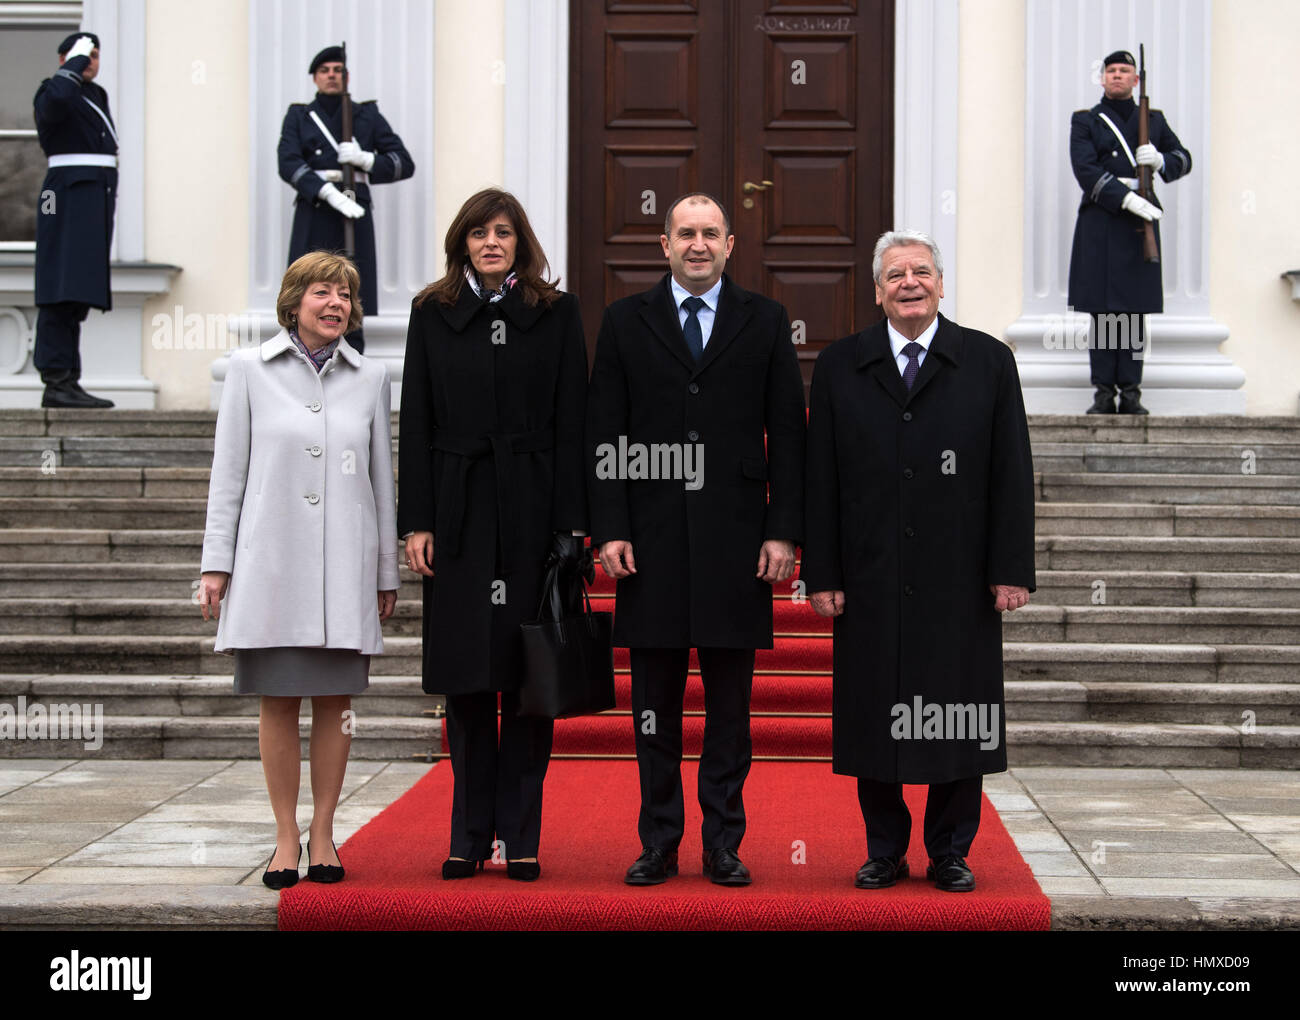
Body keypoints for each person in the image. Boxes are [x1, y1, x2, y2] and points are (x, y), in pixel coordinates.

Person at [801, 230, 1035, 893]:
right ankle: (884, 849)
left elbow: (1011, 472)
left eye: (922, 272)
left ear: (940, 284)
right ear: (877, 291)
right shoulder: (843, 364)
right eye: (896, 273)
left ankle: (950, 851)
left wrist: (1011, 565)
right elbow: (822, 478)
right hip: (871, 573)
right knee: (875, 712)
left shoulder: (988, 362)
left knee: (959, 710)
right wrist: (824, 573)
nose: (910, 282)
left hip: (959, 576)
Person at [586, 193, 806, 886]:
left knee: (729, 712)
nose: (699, 244)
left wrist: (783, 532)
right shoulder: (625, 322)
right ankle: (659, 841)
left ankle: (723, 844)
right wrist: (610, 529)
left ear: (731, 245)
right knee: (653, 709)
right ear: (665, 244)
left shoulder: (766, 321)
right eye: (686, 233)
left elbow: (790, 440)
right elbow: (604, 435)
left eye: (711, 233)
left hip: (736, 543)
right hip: (648, 544)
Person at [398, 188, 588, 883]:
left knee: (528, 679)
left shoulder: (554, 312)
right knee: (468, 679)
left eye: (503, 232)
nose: (491, 243)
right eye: (479, 233)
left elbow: (575, 420)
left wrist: (575, 522)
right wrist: (415, 520)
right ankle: (468, 834)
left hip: (535, 511)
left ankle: (521, 834)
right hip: (459, 512)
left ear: (521, 242)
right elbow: (415, 419)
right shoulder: (433, 312)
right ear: (462, 243)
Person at [198, 251, 399, 889]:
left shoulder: (370, 378)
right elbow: (228, 473)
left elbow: (381, 482)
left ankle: (323, 833)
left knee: (335, 703)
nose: (336, 303)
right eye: (323, 292)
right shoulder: (249, 373)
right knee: (278, 701)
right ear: (293, 302)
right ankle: (285, 836)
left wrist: (385, 570)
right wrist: (216, 564)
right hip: (270, 568)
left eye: (345, 294)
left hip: (344, 570)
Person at [1068, 48, 1192, 415]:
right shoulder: (1086, 121)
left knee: (1133, 312)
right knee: (1104, 312)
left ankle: (1132, 391)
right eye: (1111, 71)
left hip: (1140, 223)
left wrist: (1162, 159)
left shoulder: (1152, 120)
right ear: (1103, 78)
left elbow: (1183, 158)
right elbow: (1084, 169)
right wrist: (1125, 199)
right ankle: (1104, 391)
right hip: (1103, 219)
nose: (1117, 76)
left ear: (1136, 80)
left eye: (1124, 71)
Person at [277, 45, 415, 354]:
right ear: (315, 77)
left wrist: (365, 159)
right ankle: (304, 351)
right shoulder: (300, 115)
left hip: (354, 206)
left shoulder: (366, 114)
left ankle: (351, 354)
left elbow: (403, 162)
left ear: (347, 76)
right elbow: (287, 162)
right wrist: (325, 192)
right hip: (316, 206)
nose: (331, 76)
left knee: (352, 286)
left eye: (337, 70)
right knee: (307, 281)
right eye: (324, 71)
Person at [32, 32, 117, 409]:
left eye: (95, 55)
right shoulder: (54, 89)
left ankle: (69, 378)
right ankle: (55, 380)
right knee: (59, 287)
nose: (91, 61)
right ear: (66, 59)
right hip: (64, 196)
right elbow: (55, 107)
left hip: (92, 197)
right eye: (85, 55)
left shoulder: (95, 96)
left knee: (77, 291)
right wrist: (73, 62)